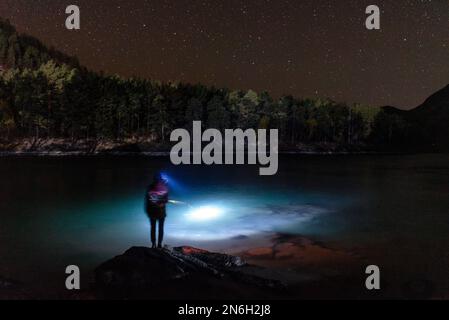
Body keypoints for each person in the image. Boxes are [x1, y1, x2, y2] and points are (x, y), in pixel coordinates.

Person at [145, 172, 169, 248]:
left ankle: (155, 244)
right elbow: (165, 200)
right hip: (158, 211)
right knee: (158, 228)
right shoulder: (164, 187)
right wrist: (161, 203)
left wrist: (147, 210)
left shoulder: (150, 187)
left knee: (154, 228)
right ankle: (157, 244)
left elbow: (148, 200)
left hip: (155, 211)